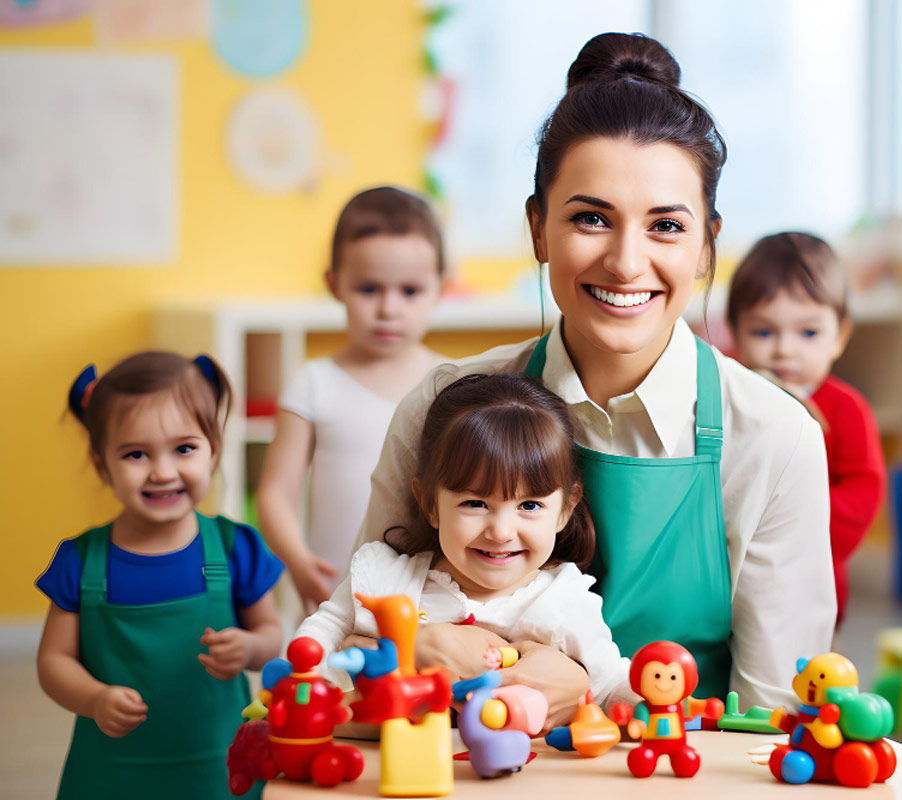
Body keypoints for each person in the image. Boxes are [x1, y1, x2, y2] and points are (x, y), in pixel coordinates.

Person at [349, 32, 834, 728]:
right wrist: (412, 647)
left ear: (706, 246)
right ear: (538, 229)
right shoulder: (441, 406)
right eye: (591, 218)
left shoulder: (774, 439)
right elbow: (341, 661)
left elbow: (773, 727)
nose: (627, 262)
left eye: (666, 225)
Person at [298, 372, 636, 707]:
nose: (501, 532)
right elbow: (311, 652)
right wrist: (317, 679)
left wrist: (643, 700)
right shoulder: (384, 578)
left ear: (566, 508)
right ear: (430, 504)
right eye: (475, 504)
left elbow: (609, 684)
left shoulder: (565, 598)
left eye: (529, 505)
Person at [36, 352, 283, 799]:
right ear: (101, 463)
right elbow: (53, 663)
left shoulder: (234, 547)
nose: (163, 472)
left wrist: (247, 647)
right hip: (111, 777)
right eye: (135, 453)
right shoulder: (82, 560)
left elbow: (270, 636)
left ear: (213, 450)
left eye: (184, 448)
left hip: (220, 771)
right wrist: (94, 699)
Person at [257, 186, 446, 616]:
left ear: (440, 288)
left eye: (410, 291)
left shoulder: (453, 383)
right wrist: (298, 561)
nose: (388, 308)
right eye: (368, 289)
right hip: (333, 600)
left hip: (431, 601)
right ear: (334, 284)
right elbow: (274, 494)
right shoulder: (314, 383)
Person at [726, 232, 884, 622]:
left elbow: (865, 489)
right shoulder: (728, 397)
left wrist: (799, 532)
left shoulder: (846, 409)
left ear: (840, 336)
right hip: (730, 577)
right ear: (735, 331)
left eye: (808, 333)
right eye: (763, 332)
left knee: (816, 675)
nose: (784, 349)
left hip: (815, 579)